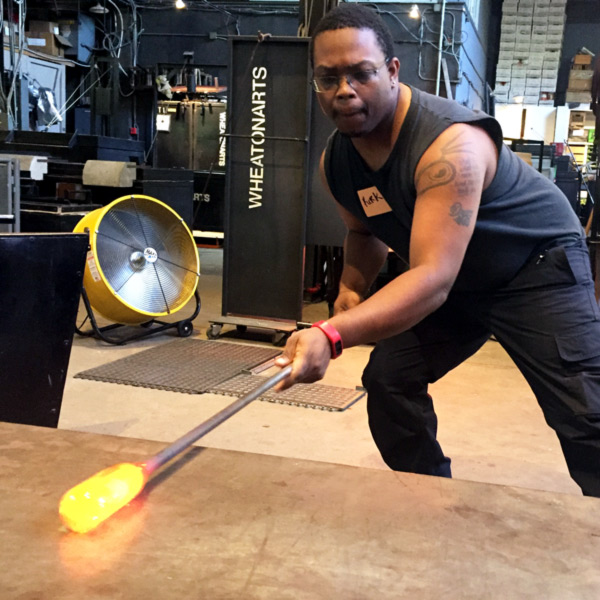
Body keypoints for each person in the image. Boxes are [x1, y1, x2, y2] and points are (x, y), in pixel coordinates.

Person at [274, 3, 600, 497]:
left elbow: (431, 278)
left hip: (534, 267)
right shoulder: (337, 160)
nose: (344, 90)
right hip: (456, 279)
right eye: (328, 77)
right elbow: (365, 232)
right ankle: (431, 500)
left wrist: (331, 333)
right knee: (389, 380)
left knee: (586, 413)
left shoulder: (451, 145)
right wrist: (351, 286)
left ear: (391, 71)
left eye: (361, 73)